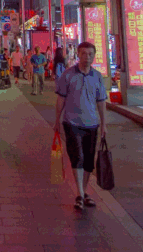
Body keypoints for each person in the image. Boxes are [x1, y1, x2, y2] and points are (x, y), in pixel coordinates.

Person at [54, 41, 108, 211]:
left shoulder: (97, 76)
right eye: (84, 54)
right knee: (77, 157)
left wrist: (104, 124)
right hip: (72, 122)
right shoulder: (68, 75)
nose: (87, 57)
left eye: (90, 54)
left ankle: (84, 193)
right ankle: (79, 193)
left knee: (89, 162)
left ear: (94, 56)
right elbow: (60, 99)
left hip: (92, 124)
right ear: (78, 55)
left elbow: (101, 102)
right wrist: (57, 121)